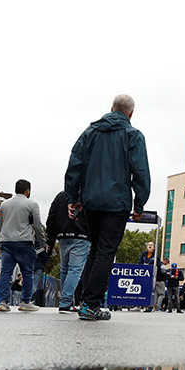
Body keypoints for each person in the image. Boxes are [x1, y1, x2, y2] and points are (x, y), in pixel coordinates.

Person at [65, 94, 151, 321]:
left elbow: (75, 164)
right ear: (131, 113)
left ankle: (85, 301)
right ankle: (90, 305)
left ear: (111, 108)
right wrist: (139, 204)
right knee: (105, 251)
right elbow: (140, 172)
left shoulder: (90, 133)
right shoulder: (133, 135)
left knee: (95, 249)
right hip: (117, 202)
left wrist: (73, 197)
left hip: (91, 201)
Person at [0, 179, 46, 312]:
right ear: (27, 190)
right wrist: (43, 243)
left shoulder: (4, 204)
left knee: (6, 273)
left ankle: (4, 302)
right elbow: (38, 226)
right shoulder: (32, 204)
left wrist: (2, 237)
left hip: (6, 242)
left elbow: (0, 224)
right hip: (24, 242)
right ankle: (25, 302)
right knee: (27, 272)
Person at [46, 190, 90, 314]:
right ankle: (66, 302)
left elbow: (51, 216)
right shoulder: (88, 193)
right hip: (81, 235)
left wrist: (51, 239)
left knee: (64, 269)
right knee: (75, 270)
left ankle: (66, 302)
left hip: (62, 235)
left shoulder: (60, 195)